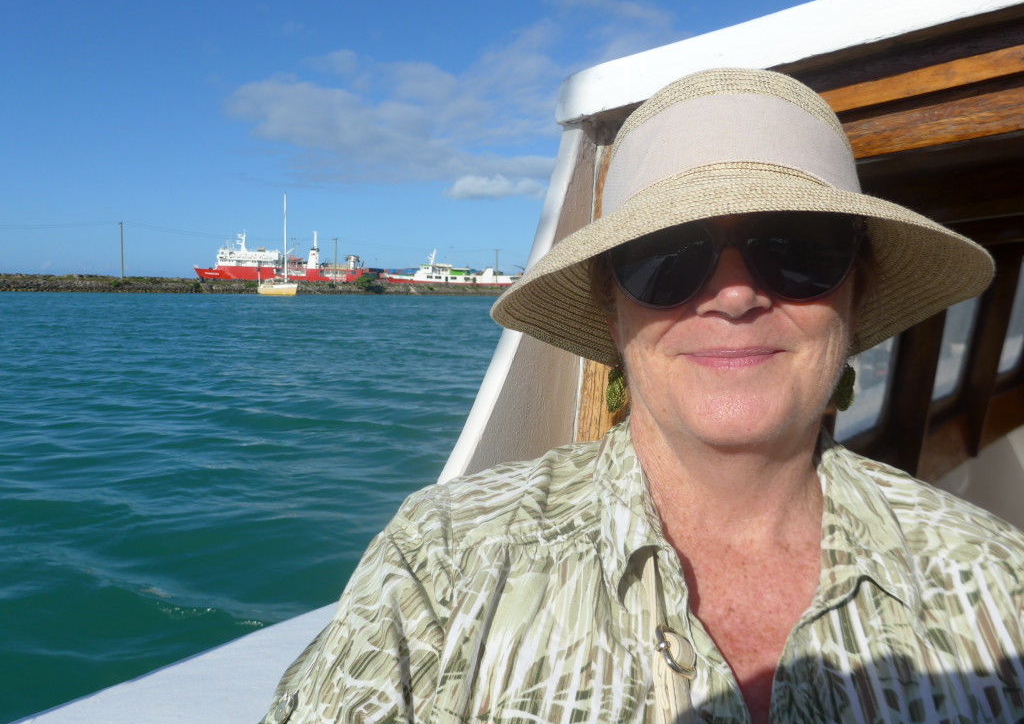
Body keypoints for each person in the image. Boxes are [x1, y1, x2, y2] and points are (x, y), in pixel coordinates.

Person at [261, 69, 1023, 724]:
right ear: (611, 310)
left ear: (858, 293)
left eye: (798, 248)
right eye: (667, 258)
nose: (733, 296)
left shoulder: (1001, 586)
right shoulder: (441, 567)